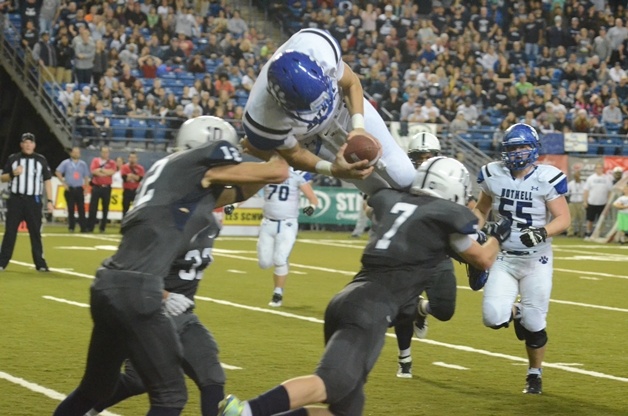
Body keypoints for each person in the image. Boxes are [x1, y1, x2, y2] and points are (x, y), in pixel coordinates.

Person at [218, 157, 512, 416]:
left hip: (350, 299)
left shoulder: (396, 202)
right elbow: (484, 259)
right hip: (371, 308)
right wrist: (498, 235)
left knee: (345, 410)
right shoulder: (442, 219)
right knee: (331, 383)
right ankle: (246, 411)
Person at [53, 116, 290, 416]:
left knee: (95, 388)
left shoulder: (171, 176)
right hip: (141, 291)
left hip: (108, 285)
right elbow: (277, 171)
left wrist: (263, 167)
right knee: (170, 396)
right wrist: (279, 143)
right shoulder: (194, 167)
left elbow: (240, 190)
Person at [241, 28, 415, 196]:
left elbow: (351, 83)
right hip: (313, 141)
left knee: (403, 174)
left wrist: (359, 127)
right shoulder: (262, 118)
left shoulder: (318, 47)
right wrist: (332, 170)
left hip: (345, 108)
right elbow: (295, 154)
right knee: (376, 190)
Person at [473, 123, 570, 395]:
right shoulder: (492, 174)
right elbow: (481, 209)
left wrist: (542, 232)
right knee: (492, 318)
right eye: (512, 147)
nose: (517, 153)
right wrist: (475, 232)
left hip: (536, 260)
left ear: (534, 148)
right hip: (502, 257)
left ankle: (534, 373)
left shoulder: (547, 178)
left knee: (536, 323)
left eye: (522, 147)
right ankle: (514, 313)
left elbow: (564, 218)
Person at [258, 168, 319, 307]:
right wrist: (234, 204)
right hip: (267, 223)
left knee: (280, 259)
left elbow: (313, 199)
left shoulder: (297, 175)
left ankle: (277, 293)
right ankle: (282, 263)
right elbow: (249, 191)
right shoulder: (267, 171)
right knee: (264, 263)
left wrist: (311, 208)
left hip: (288, 223)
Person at [0, 133, 53, 272]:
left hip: (33, 200)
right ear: (21, 144)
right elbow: (3, 178)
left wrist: (50, 200)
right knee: (10, 232)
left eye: (31, 142)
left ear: (34, 145)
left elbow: (47, 180)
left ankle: (40, 263)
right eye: (26, 142)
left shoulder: (41, 160)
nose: (28, 145)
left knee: (35, 233)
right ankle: (2, 262)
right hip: (16, 199)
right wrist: (12, 174)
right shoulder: (14, 158)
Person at [55, 146, 90, 233]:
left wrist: (86, 188)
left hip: (79, 188)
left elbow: (86, 177)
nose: (76, 154)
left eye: (78, 152)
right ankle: (71, 227)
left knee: (81, 209)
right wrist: (63, 182)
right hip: (70, 188)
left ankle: (83, 227)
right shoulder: (66, 163)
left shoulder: (83, 164)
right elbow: (57, 172)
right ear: (71, 153)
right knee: (71, 209)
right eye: (74, 152)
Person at [87, 147, 117, 233]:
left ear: (109, 153)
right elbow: (94, 171)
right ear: (101, 153)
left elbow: (112, 172)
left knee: (105, 208)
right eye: (103, 152)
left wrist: (101, 170)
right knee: (93, 208)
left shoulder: (112, 162)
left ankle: (102, 227)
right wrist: (105, 172)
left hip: (107, 187)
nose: (105, 154)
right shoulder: (95, 160)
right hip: (96, 186)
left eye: (106, 152)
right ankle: (90, 227)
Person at [583, 163, 614, 238]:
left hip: (602, 203)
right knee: (590, 219)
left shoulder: (607, 178)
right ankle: (588, 233)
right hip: (592, 202)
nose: (599, 169)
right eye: (597, 168)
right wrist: (585, 201)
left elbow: (610, 191)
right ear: (595, 169)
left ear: (602, 169)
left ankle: (598, 233)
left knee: (601, 220)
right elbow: (586, 190)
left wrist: (608, 202)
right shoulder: (591, 178)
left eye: (600, 168)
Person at [120, 152, 145, 217]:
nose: (132, 159)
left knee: (136, 209)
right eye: (131, 157)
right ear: (128, 158)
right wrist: (135, 177)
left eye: (134, 157)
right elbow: (125, 178)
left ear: (137, 159)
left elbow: (140, 179)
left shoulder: (140, 168)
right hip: (127, 190)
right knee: (125, 208)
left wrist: (131, 175)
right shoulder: (124, 167)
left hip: (136, 191)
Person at [566, 171, 585, 237]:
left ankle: (581, 233)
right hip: (572, 203)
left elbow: (585, 193)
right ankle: (570, 232)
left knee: (581, 219)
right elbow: (566, 194)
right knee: (571, 218)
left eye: (578, 175)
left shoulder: (584, 184)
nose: (577, 177)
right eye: (576, 176)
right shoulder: (570, 184)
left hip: (581, 202)